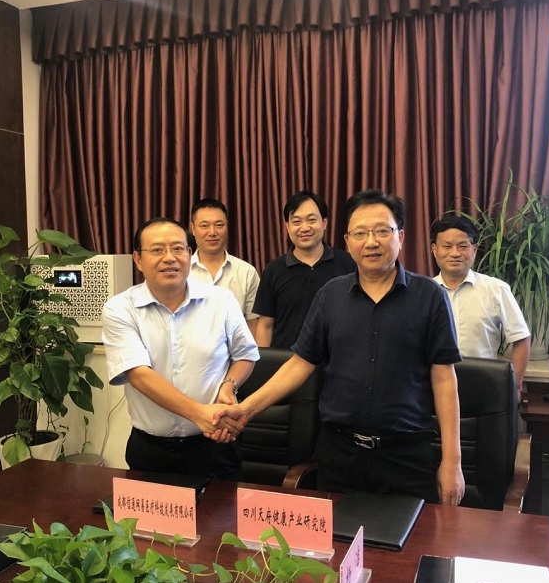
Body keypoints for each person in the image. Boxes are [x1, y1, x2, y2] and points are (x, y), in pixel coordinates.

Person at [215, 190, 465, 505]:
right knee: (337, 536)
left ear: (400, 237)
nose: (370, 242)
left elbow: (444, 379)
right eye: (360, 233)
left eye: (382, 231)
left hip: (406, 456)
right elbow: (299, 365)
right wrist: (245, 410)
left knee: (410, 537)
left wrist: (452, 461)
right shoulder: (330, 295)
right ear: (347, 241)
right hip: (338, 454)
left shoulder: (430, 297)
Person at [102, 218, 259, 479]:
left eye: (178, 248)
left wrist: (228, 386)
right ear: (138, 259)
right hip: (151, 450)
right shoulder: (120, 309)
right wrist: (201, 414)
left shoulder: (221, 300)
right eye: (157, 250)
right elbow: (139, 374)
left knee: (219, 507)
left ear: (189, 254)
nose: (169, 258)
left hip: (214, 447)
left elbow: (246, 355)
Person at [430, 213, 531, 390]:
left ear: (474, 249)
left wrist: (514, 384)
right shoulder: (424, 291)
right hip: (434, 386)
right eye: (447, 246)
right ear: (434, 249)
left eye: (463, 246)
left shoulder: (496, 289)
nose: (455, 253)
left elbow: (521, 337)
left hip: (484, 385)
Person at [253, 191, 356, 348]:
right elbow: (265, 325)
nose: (305, 227)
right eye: (297, 221)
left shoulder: (348, 264)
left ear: (324, 223)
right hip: (285, 360)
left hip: (336, 358)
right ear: (287, 227)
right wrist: (263, 361)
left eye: (311, 220)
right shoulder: (274, 270)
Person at [189, 198, 260, 333]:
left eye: (219, 225)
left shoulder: (246, 272)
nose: (212, 232)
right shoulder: (181, 272)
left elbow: (253, 325)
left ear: (227, 226)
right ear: (193, 229)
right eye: (204, 226)